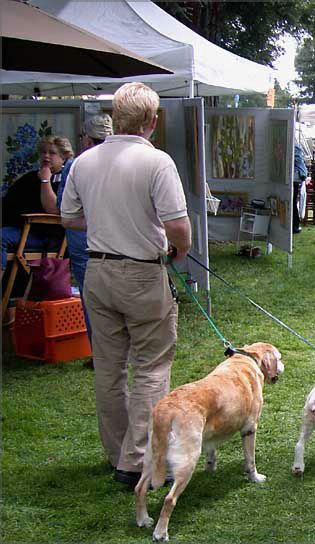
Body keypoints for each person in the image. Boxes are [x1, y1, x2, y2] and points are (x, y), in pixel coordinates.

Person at [61, 82, 191, 489]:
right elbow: (178, 226)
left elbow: (68, 217)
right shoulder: (157, 162)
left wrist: (106, 223)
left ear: (116, 118)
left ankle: (118, 453)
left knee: (109, 368)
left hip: (97, 273)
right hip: (140, 272)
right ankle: (137, 460)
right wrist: (177, 252)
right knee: (152, 366)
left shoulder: (84, 161)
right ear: (153, 120)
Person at [57, 114, 114, 369]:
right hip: (116, 239)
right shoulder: (118, 161)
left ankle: (100, 356)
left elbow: (63, 209)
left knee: (92, 299)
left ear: (87, 139)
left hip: (84, 240)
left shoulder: (76, 164)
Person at [2, 136, 73, 271]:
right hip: (20, 229)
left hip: (46, 235)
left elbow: (53, 210)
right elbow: (9, 202)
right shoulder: (30, 177)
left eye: (52, 153)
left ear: (63, 157)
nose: (46, 156)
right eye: (43, 152)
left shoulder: (66, 181)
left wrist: (45, 181)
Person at [292, 142, 310, 234]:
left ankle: (294, 226)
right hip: (296, 178)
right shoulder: (296, 147)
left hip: (294, 178)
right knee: (293, 202)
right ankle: (294, 225)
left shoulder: (293, 147)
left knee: (292, 202)